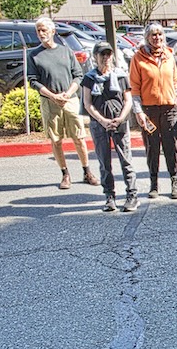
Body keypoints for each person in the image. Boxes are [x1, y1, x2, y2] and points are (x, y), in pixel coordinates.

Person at [27, 17, 97, 189]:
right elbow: (33, 81)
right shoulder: (34, 55)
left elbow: (78, 75)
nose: (41, 33)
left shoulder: (66, 51)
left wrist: (68, 93)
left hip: (70, 100)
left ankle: (87, 171)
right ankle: (65, 174)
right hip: (50, 103)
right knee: (56, 140)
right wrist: (52, 96)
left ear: (53, 32)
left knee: (79, 138)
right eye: (38, 31)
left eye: (44, 30)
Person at [81, 42, 138, 213]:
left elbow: (128, 100)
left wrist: (120, 118)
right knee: (104, 162)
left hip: (119, 123)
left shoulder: (120, 76)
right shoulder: (89, 78)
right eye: (102, 54)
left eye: (108, 54)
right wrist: (102, 120)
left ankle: (132, 195)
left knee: (126, 160)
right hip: (99, 125)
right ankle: (109, 196)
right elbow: (87, 103)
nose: (105, 58)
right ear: (95, 56)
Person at [130, 23, 177, 199]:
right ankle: (154, 183)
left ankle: (174, 180)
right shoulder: (138, 58)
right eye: (153, 35)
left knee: (171, 146)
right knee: (152, 148)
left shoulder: (169, 56)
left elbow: (175, 81)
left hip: (169, 108)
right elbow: (135, 88)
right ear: (147, 37)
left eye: (159, 34)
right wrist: (138, 111)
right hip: (149, 110)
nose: (157, 38)